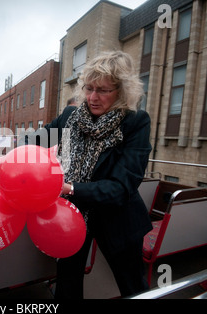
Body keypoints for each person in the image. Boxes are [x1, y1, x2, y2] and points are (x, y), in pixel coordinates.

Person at [39, 51, 153, 298]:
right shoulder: (71, 116)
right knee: (67, 285)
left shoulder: (135, 122)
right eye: (89, 88)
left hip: (118, 218)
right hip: (71, 216)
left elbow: (122, 187)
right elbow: (36, 141)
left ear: (121, 92)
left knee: (132, 286)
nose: (92, 97)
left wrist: (68, 188)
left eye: (103, 90)